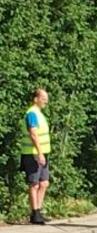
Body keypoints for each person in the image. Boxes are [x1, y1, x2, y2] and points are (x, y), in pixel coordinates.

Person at [20, 88, 51, 225]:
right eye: (43, 98)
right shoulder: (31, 114)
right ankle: (35, 212)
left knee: (44, 183)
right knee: (34, 183)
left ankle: (39, 210)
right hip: (33, 153)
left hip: (42, 153)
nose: (46, 100)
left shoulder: (38, 113)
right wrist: (39, 152)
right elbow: (33, 134)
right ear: (36, 99)